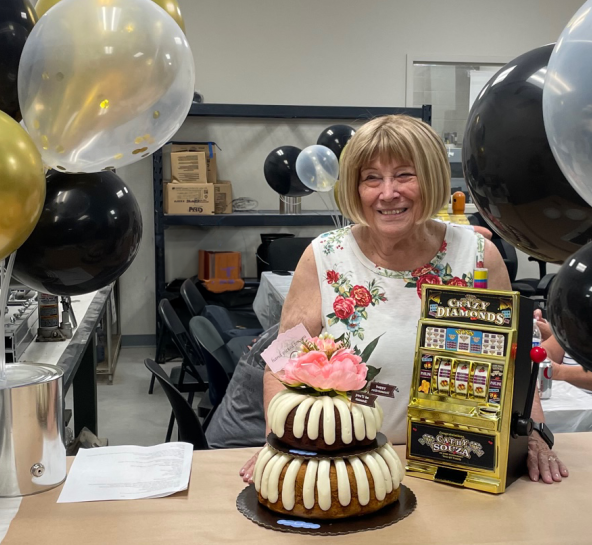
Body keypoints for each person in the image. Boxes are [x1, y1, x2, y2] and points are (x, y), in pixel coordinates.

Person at [240, 114, 567, 484]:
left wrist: (534, 432)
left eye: (405, 175)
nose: (388, 193)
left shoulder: (478, 257)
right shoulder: (324, 256)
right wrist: (280, 442)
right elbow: (282, 365)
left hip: (459, 465)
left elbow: (514, 363)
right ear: (355, 187)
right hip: (349, 466)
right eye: (371, 178)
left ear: (430, 179)